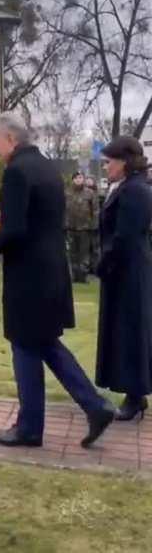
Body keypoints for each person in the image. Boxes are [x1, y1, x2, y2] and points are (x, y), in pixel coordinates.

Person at [0, 113, 114, 449]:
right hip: (52, 269)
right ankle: (95, 407)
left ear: (10, 139)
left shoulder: (17, 172)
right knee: (46, 344)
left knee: (25, 345)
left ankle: (29, 428)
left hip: (28, 275)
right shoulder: (47, 168)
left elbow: (15, 229)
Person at [96, 136, 152, 421]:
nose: (106, 167)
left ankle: (135, 394)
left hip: (129, 271)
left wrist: (104, 263)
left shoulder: (136, 190)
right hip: (123, 269)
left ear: (125, 162)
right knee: (123, 330)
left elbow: (125, 236)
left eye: (109, 162)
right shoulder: (128, 187)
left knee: (131, 331)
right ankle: (134, 394)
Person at [66, 171, 98, 283]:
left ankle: (83, 276)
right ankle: (74, 276)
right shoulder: (67, 192)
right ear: (73, 179)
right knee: (73, 253)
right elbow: (62, 209)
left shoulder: (89, 193)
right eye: (77, 178)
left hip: (85, 227)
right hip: (70, 227)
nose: (79, 180)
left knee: (84, 254)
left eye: (81, 178)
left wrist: (94, 225)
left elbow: (95, 210)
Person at [85, 175, 100, 274]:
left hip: (95, 224)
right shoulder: (85, 194)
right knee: (87, 247)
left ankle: (95, 267)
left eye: (90, 181)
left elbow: (97, 210)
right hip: (85, 224)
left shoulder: (98, 194)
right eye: (87, 181)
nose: (89, 182)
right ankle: (88, 267)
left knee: (95, 248)